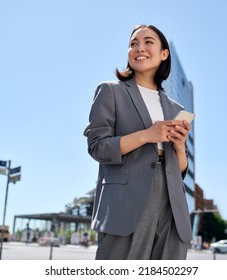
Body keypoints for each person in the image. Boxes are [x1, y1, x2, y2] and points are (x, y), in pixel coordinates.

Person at [83, 24, 193, 260]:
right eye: (133, 43)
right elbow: (97, 147)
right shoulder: (111, 91)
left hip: (173, 204)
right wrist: (147, 135)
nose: (139, 48)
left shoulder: (177, 108)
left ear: (164, 54)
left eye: (148, 42)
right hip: (126, 201)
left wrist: (180, 148)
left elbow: (180, 170)